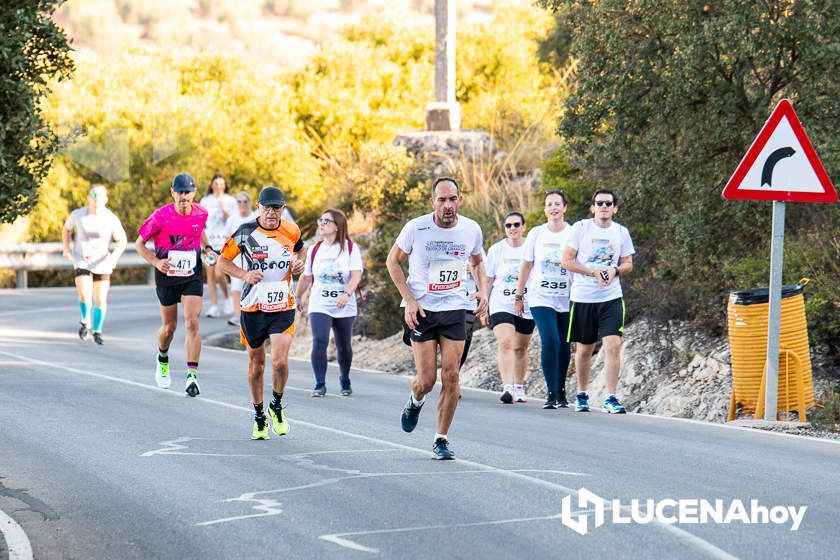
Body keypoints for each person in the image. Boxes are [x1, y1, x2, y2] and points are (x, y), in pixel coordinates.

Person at [386, 177, 487, 460]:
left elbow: (478, 261)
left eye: (452, 199)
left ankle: (440, 439)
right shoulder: (416, 228)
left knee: (452, 375)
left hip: (456, 307)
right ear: (433, 202)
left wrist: (483, 291)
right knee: (427, 380)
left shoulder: (471, 229)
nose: (447, 205)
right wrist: (409, 300)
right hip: (422, 311)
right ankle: (415, 400)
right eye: (441, 200)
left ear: (460, 200)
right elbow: (392, 261)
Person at [218, 186, 305, 440]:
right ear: (258, 207)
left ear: (283, 209)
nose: (271, 212)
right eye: (266, 207)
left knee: (279, 361)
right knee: (257, 365)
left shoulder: (291, 230)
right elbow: (222, 261)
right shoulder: (245, 232)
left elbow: (301, 249)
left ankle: (276, 405)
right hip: (253, 305)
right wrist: (245, 274)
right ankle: (259, 416)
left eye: (276, 208)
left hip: (282, 304)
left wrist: (299, 262)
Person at [136, 173, 210, 397]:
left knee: (192, 322)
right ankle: (162, 357)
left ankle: (191, 376)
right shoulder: (160, 216)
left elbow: (199, 231)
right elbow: (139, 244)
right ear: (172, 193)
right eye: (179, 192)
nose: (183, 196)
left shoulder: (201, 213)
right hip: (167, 275)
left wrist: (208, 249)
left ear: (194, 193)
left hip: (191, 274)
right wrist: (157, 262)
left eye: (187, 192)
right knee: (169, 328)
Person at [562, 189, 634, 414]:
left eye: (608, 203)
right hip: (583, 297)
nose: (603, 206)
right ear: (593, 207)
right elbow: (566, 261)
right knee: (584, 349)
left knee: (613, 345)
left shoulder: (621, 232)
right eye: (599, 203)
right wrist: (592, 272)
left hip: (611, 297)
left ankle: (611, 397)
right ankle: (582, 393)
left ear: (615, 208)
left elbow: (628, 263)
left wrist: (614, 270)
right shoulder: (580, 228)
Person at [295, 209, 363, 397]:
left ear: (337, 225)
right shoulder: (315, 249)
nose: (321, 223)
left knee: (343, 346)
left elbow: (356, 274)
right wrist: (298, 296)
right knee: (320, 340)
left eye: (326, 220)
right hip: (320, 303)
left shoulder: (350, 248)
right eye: (320, 220)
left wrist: (346, 294)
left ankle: (344, 378)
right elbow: (307, 277)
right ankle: (320, 383)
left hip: (344, 305)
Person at [514, 190, 573, 409]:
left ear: (565, 207)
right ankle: (550, 392)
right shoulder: (537, 234)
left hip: (567, 297)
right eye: (549, 204)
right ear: (545, 209)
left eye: (557, 204)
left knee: (565, 346)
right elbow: (526, 265)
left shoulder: (573, 232)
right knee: (551, 340)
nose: (553, 208)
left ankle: (561, 390)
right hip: (540, 296)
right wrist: (519, 295)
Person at [61, 184, 127, 345]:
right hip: (82, 259)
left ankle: (97, 331)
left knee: (100, 298)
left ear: (106, 199)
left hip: (102, 261)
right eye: (93, 195)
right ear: (88, 197)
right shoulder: (78, 214)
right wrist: (67, 248)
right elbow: (66, 229)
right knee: (84, 292)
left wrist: (113, 259)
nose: (96, 199)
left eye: (100, 195)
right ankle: (85, 320)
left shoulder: (111, 218)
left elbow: (122, 241)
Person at [485, 211, 535, 404]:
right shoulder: (497, 250)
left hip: (526, 305)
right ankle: (507, 387)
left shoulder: (530, 249)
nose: (512, 228)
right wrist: (485, 306)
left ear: (523, 227)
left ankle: (519, 386)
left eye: (516, 225)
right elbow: (488, 280)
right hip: (501, 303)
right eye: (508, 225)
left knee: (520, 348)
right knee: (505, 342)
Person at [200, 172, 237, 318]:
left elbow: (233, 221)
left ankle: (227, 298)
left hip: (224, 244)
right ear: (211, 185)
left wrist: (224, 210)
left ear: (225, 185)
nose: (218, 187)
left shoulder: (231, 200)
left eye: (221, 184)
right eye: (216, 184)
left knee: (219, 272)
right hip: (209, 243)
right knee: (210, 274)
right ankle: (214, 306)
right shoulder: (205, 201)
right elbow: (201, 222)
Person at [224, 191, 258, 327]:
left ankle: (253, 313)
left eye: (245, 201)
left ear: (250, 203)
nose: (242, 204)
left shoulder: (256, 217)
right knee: (236, 285)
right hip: (237, 256)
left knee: (254, 284)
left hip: (254, 257)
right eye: (239, 201)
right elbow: (226, 237)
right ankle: (238, 316)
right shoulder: (232, 219)